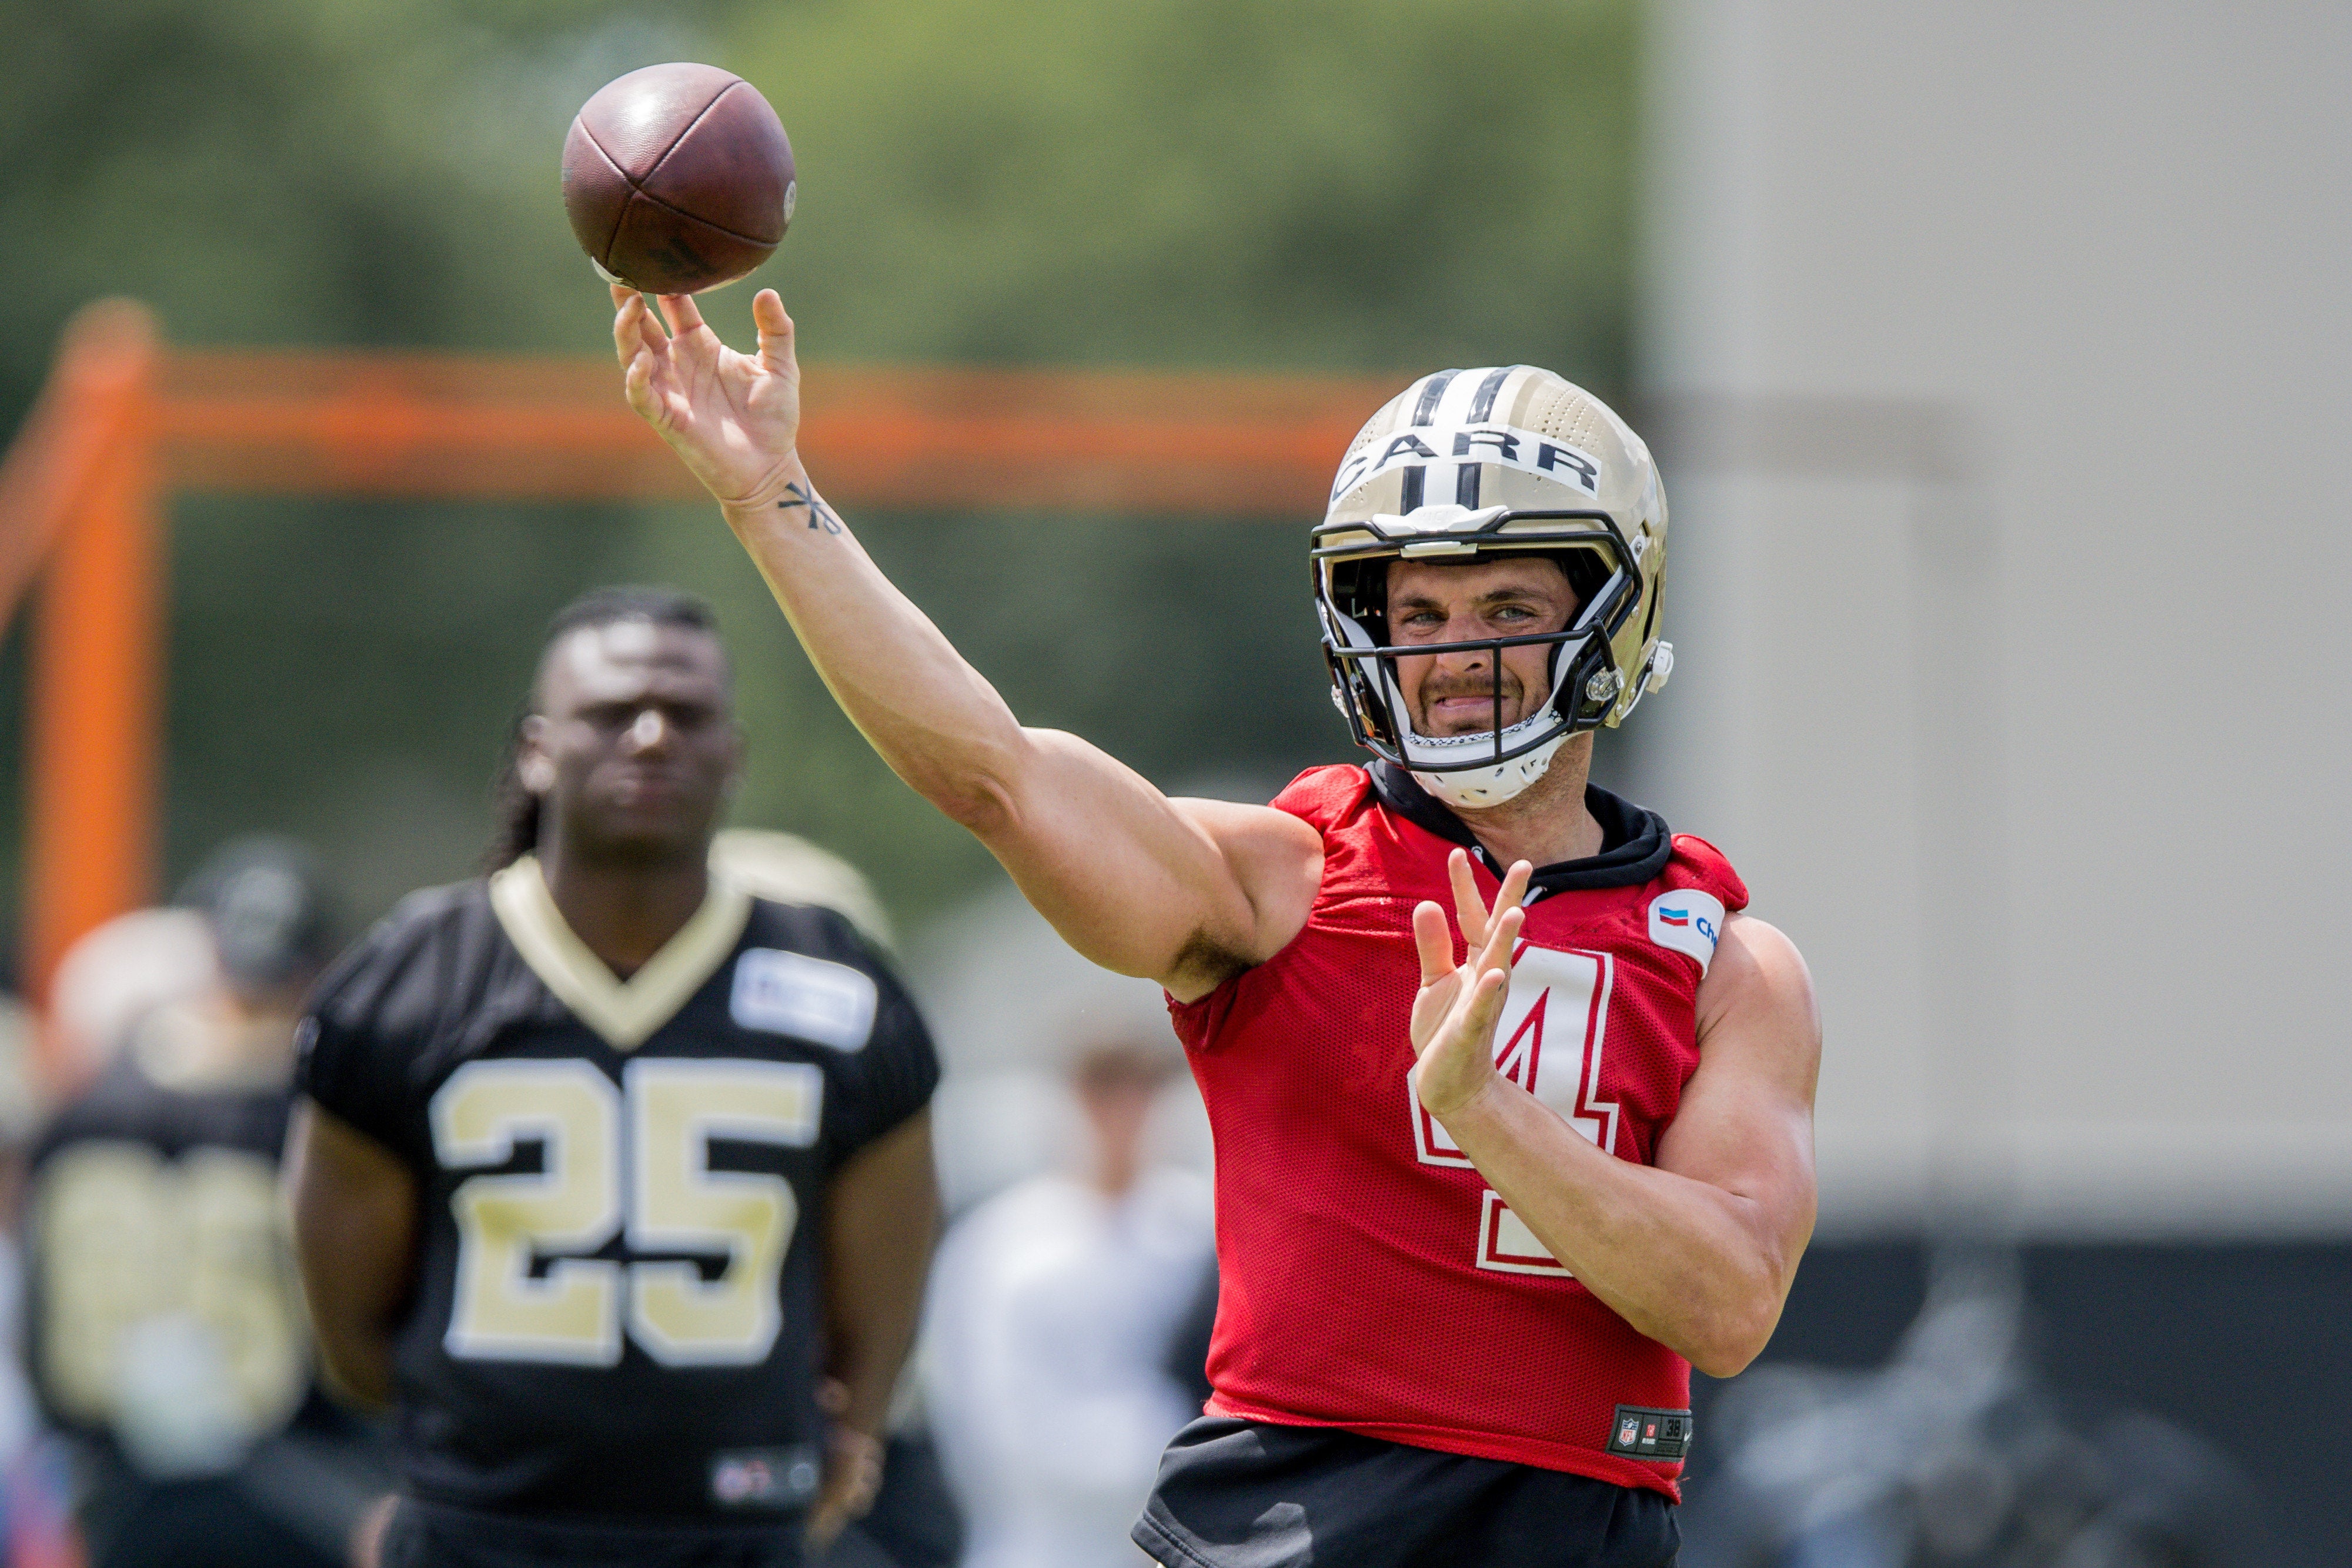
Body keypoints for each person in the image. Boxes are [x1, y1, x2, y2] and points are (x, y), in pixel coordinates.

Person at [610, 286, 1822, 1568]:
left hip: (1582, 1534)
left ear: (1612, 609)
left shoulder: (1724, 959)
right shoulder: (1289, 878)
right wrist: (770, 494)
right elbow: (994, 773)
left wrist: (1487, 1110)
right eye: (1417, 614)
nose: (1453, 655)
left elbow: (1728, 1305)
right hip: (1295, 1522)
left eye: (1506, 608)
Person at [283, 588, 941, 1568]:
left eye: (687, 713)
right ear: (537, 748)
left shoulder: (838, 986)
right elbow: (354, 1339)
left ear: (734, 753)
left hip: (735, 1531)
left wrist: (840, 1430)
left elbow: (881, 1297)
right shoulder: (412, 980)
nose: (651, 736)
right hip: (479, 1532)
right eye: (612, 710)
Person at [23, 838, 386, 1567]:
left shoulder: (83, 1113)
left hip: (120, 1493)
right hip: (299, 1491)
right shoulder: (317, 1117)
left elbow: (39, 1338)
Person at [922, 1037, 1212, 1568]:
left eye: (1143, 1094)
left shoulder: (1200, 1229)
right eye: (1106, 1095)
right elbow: (998, 1429)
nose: (1126, 1117)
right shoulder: (1004, 1247)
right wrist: (1178, 1434)